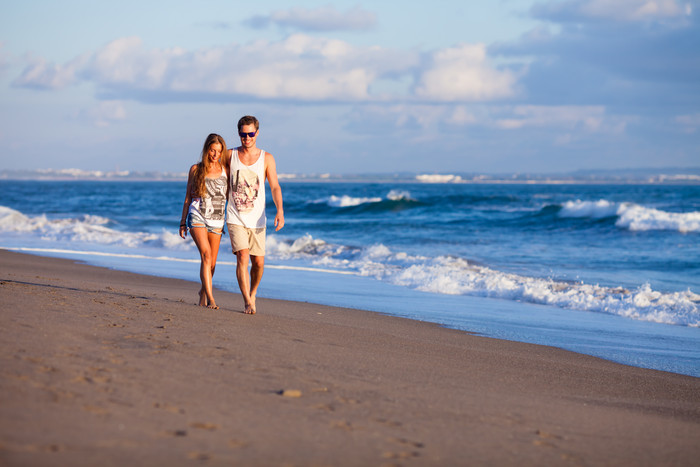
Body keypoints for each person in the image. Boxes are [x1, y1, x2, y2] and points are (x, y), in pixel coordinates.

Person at [225, 116, 284, 314]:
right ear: (239, 134)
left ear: (257, 133)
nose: (247, 138)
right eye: (243, 134)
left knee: (258, 263)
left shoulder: (267, 158)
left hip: (258, 219)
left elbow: (275, 186)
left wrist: (280, 210)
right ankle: (247, 302)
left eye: (250, 134)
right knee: (242, 256)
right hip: (235, 216)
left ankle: (253, 291)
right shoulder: (229, 155)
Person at [179, 133, 228, 310]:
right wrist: (183, 221)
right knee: (206, 255)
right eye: (212, 150)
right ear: (206, 149)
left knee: (212, 263)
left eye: (218, 151)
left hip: (217, 220)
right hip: (197, 216)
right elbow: (187, 197)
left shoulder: (225, 170)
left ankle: (203, 293)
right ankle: (211, 299)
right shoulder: (195, 169)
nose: (215, 154)